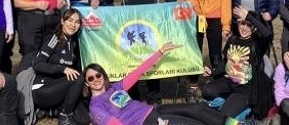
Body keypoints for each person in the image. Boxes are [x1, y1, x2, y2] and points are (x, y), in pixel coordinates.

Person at [93, 0, 181, 106]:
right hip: (129, 27)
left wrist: (178, 1)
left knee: (152, 61)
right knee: (130, 63)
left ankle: (155, 99)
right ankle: (133, 98)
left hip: (151, 27)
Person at [84, 42, 255, 125]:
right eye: (91, 78)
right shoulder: (95, 106)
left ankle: (237, 124)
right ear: (87, 83)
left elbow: (138, 71)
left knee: (198, 108)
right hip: (147, 122)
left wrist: (160, 52)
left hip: (154, 110)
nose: (96, 79)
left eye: (98, 75)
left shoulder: (116, 87)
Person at [178, 0, 231, 102]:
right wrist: (191, 3)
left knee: (216, 56)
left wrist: (226, 24)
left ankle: (216, 88)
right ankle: (192, 90)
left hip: (215, 18)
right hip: (197, 19)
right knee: (195, 54)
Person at [201, 6, 274, 120]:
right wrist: (212, 72)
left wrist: (249, 17)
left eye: (249, 25)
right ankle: (228, 100)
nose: (245, 28)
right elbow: (225, 62)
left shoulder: (256, 44)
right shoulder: (232, 40)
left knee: (223, 117)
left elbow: (267, 34)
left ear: (254, 29)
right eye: (243, 24)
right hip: (228, 82)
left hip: (244, 90)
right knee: (207, 91)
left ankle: (245, 110)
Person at [31, 8, 89, 125]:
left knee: (84, 120)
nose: (73, 25)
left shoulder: (73, 43)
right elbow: (37, 64)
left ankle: (50, 110)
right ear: (62, 21)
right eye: (70, 20)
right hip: (42, 89)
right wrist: (62, 69)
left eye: (77, 22)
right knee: (77, 78)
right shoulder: (54, 38)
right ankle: (65, 116)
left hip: (60, 90)